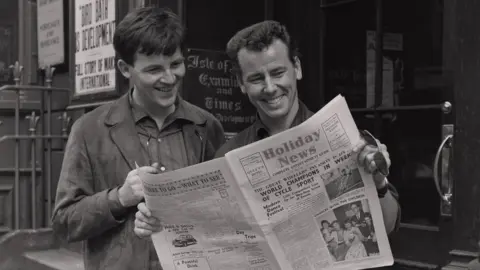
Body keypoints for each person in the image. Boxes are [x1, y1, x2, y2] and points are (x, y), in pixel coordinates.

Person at [51, 7, 225, 270]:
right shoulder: (89, 130)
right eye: (154, 69)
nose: (169, 78)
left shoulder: (206, 126)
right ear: (124, 68)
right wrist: (119, 198)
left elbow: (224, 212)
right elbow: (64, 223)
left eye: (176, 64)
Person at [214, 20, 400, 235]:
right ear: (241, 84)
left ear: (297, 68)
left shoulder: (347, 140)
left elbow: (388, 228)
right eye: (256, 78)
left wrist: (378, 181)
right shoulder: (227, 157)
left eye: (277, 73)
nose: (270, 88)